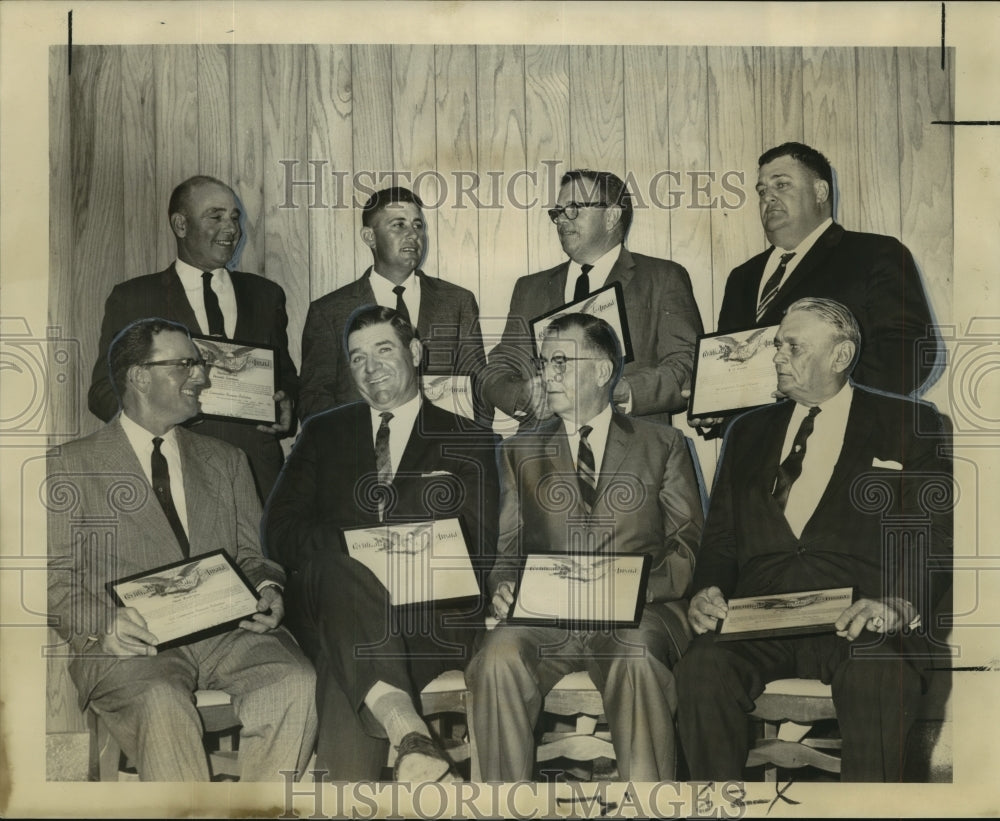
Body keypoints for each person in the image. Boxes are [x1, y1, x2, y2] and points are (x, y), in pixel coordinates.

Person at [676, 298, 952, 782]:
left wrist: (899, 602)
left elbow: (931, 537)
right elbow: (721, 536)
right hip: (759, 617)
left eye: (792, 346)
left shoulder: (910, 423)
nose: (777, 355)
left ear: (840, 356)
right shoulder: (746, 431)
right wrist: (707, 589)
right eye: (778, 345)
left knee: (879, 673)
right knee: (702, 669)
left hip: (859, 616)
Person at [47, 318, 317, 782]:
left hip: (228, 634)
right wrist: (103, 623)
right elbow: (53, 578)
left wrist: (268, 588)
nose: (203, 376)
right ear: (139, 376)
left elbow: (253, 557)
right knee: (162, 703)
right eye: (186, 365)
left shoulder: (227, 460)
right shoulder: (71, 465)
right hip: (134, 646)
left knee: (295, 682)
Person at [265, 305, 499, 782]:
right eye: (356, 358)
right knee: (337, 573)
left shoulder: (468, 438)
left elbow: (482, 545)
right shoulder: (322, 432)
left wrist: (396, 552)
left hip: (425, 619)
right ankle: (410, 737)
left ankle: (398, 747)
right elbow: (280, 530)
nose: (370, 369)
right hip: (330, 601)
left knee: (345, 662)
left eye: (383, 350)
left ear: (415, 352)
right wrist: (361, 553)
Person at [466, 313, 704, 782]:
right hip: (547, 622)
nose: (544, 376)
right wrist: (503, 585)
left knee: (635, 658)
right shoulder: (520, 451)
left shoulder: (665, 443)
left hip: (636, 616)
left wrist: (637, 591)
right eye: (543, 363)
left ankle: (649, 808)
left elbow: (689, 543)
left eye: (560, 362)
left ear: (601, 370)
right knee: (496, 657)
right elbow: (507, 550)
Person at [88, 175, 298, 502]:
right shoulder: (133, 298)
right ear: (181, 225)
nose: (231, 228)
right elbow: (103, 390)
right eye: (215, 216)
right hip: (173, 473)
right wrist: (158, 418)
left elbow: (284, 375)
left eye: (234, 217)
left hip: (258, 477)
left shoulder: (266, 295)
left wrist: (287, 405)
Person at [481, 168, 703, 429]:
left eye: (573, 208)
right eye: (558, 212)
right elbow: (496, 370)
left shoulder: (662, 278)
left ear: (611, 216)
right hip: (548, 456)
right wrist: (524, 395)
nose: (562, 219)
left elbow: (688, 364)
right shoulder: (529, 288)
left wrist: (624, 390)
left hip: (633, 448)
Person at [718, 142, 938, 399]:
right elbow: (732, 367)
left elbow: (907, 350)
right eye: (761, 190)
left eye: (781, 184)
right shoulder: (742, 276)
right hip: (757, 435)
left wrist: (827, 394)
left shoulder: (875, 254)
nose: (768, 197)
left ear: (820, 191)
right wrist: (716, 406)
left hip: (841, 431)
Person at [297, 186, 488, 424]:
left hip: (440, 453)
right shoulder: (329, 311)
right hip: (358, 453)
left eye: (418, 225)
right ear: (369, 237)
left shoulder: (457, 301)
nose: (413, 235)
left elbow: (479, 390)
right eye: (399, 225)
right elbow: (314, 399)